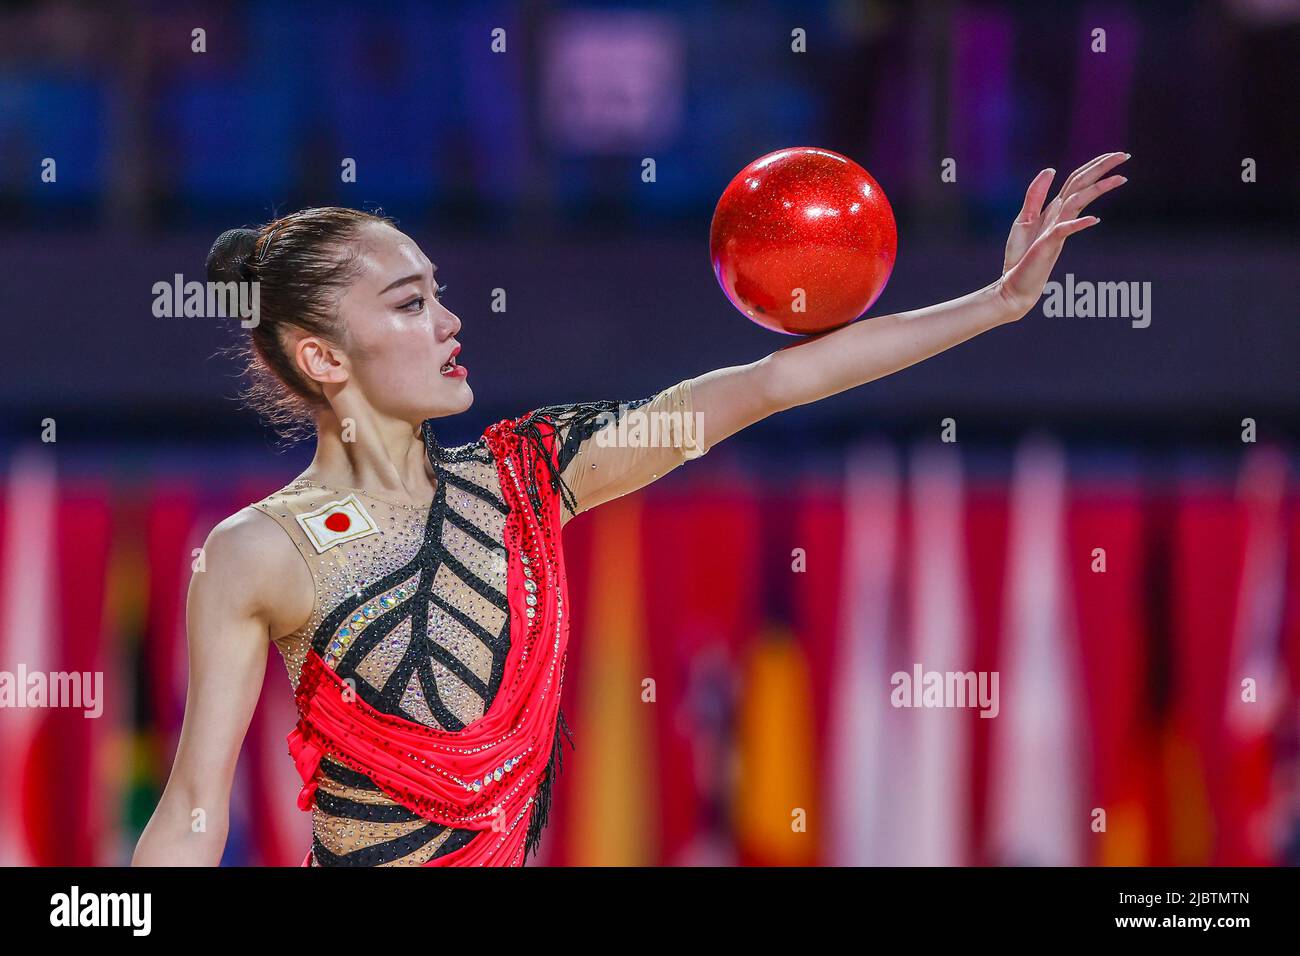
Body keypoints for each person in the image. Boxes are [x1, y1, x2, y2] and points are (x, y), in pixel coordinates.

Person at [132, 152, 1128, 866]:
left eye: (439, 292)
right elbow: (189, 812)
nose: (449, 320)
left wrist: (993, 304)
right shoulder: (258, 551)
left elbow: (770, 382)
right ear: (322, 357)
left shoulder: (531, 474)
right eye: (408, 303)